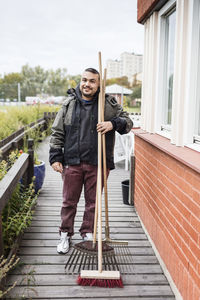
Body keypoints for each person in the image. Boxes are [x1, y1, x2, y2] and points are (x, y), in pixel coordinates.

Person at [49, 68, 133, 254]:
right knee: (68, 202)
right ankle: (65, 234)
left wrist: (113, 124)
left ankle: (88, 232)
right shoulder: (69, 104)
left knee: (93, 202)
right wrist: (55, 156)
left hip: (98, 161)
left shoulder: (108, 104)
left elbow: (128, 123)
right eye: (84, 80)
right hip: (72, 161)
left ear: (99, 84)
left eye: (92, 81)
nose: (87, 84)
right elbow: (57, 132)